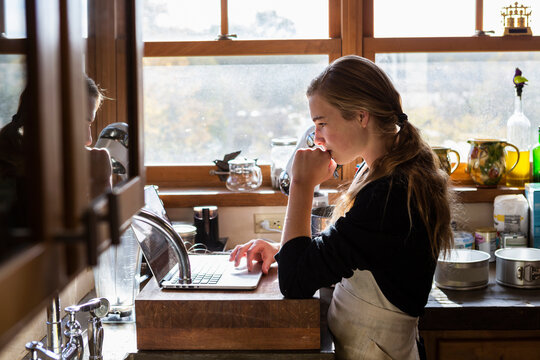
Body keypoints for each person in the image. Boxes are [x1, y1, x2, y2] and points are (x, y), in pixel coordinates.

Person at [229, 55, 454, 360]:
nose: (317, 138)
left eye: (322, 123)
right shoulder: (381, 171)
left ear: (362, 116)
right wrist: (281, 251)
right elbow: (344, 252)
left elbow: (295, 282)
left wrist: (301, 183)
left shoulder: (390, 195)